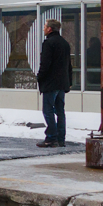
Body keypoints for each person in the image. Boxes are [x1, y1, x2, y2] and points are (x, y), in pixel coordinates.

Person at [36, 19, 72, 148]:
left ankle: (51, 137)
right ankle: (61, 138)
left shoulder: (48, 43)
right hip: (62, 83)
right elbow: (69, 65)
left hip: (51, 83)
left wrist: (39, 77)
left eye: (45, 26)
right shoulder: (64, 43)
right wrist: (69, 81)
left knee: (48, 110)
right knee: (60, 111)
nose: (44, 28)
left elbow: (45, 64)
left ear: (50, 29)